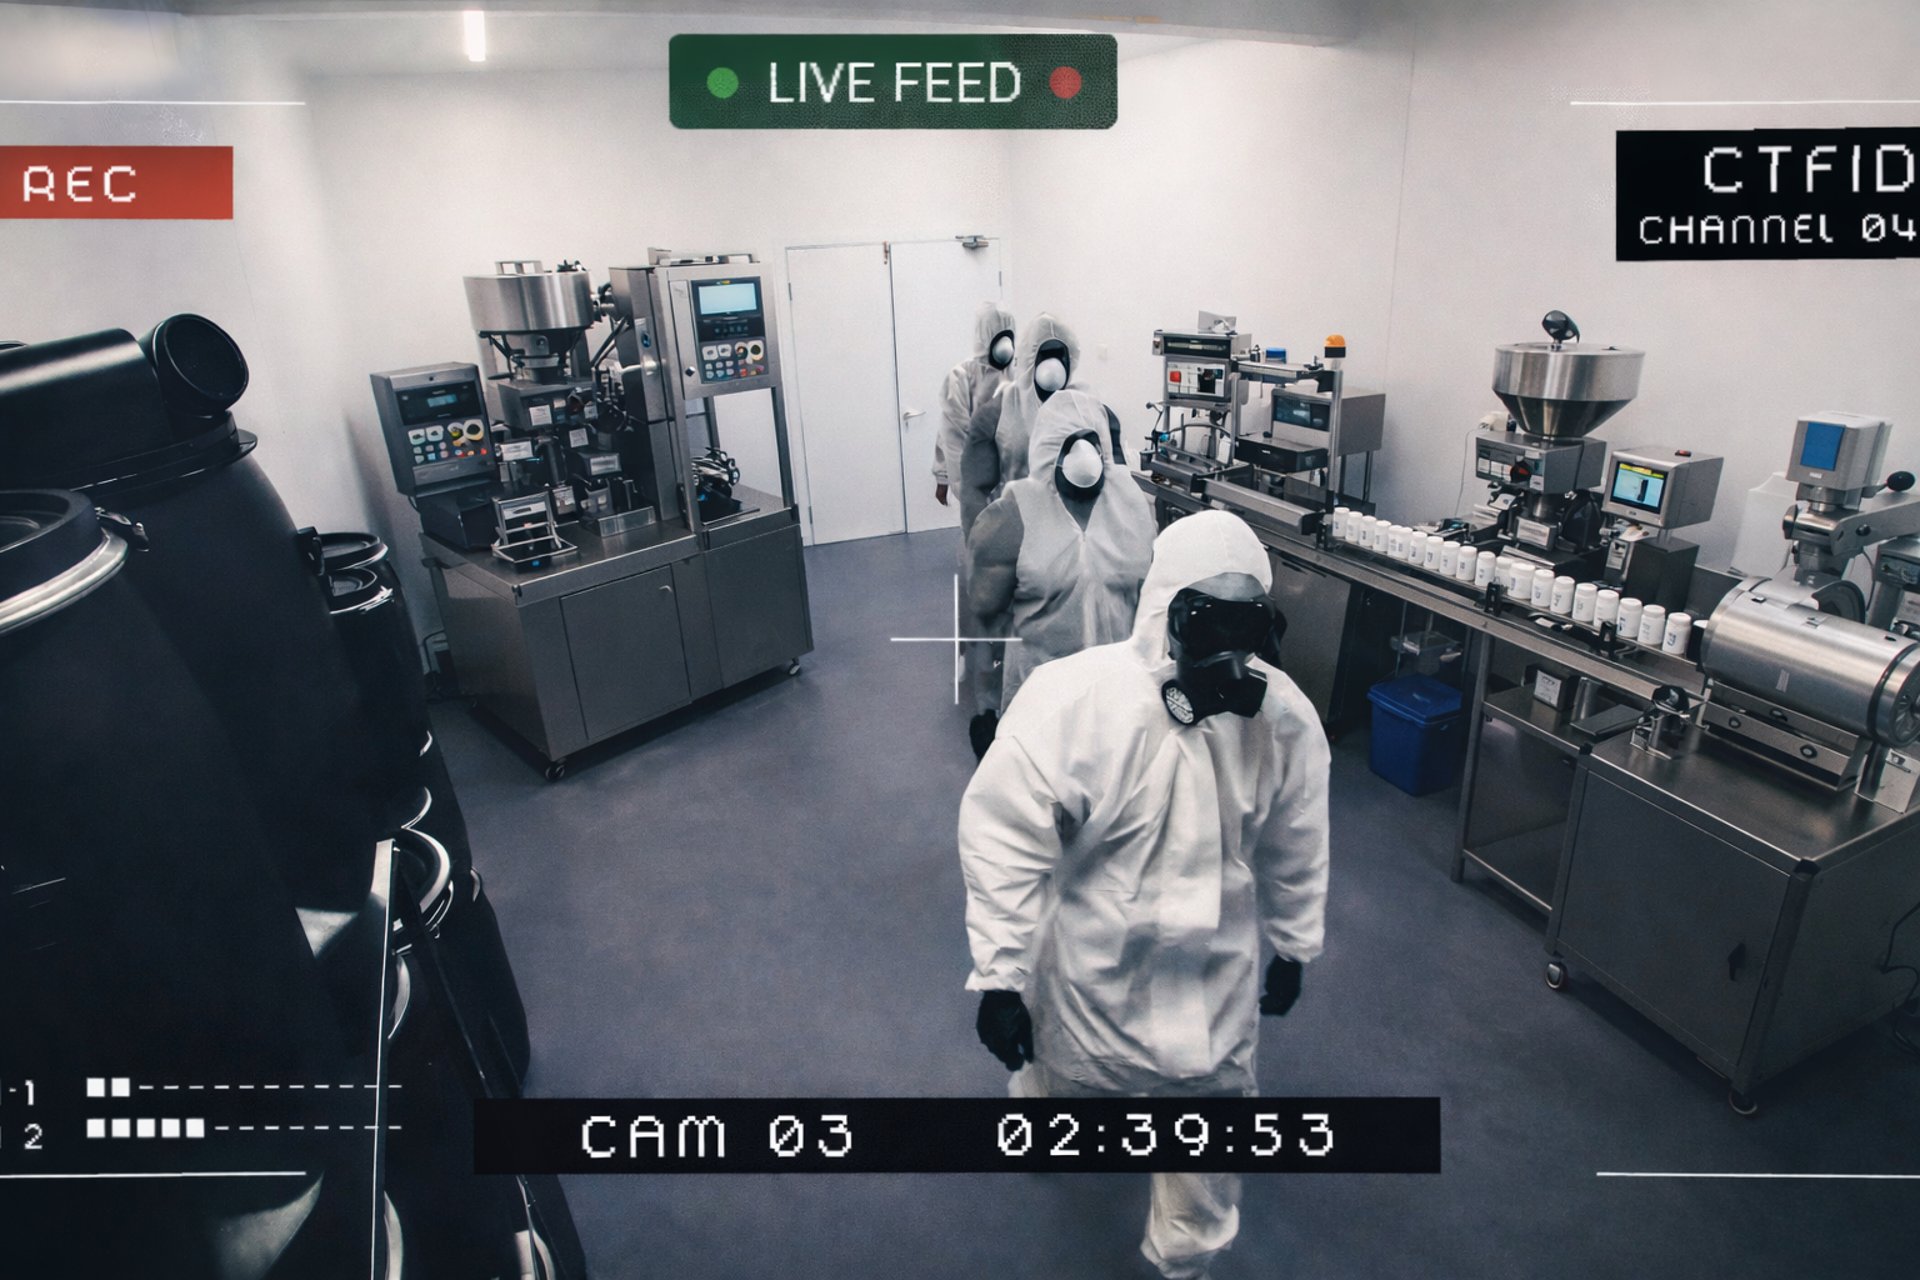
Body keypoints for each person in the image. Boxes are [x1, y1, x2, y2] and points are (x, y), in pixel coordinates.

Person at [957, 510, 1331, 1280]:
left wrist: (1295, 940)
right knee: (1064, 1078)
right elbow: (1004, 838)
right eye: (1208, 627)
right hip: (1093, 968)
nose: (1229, 657)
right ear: (1165, 616)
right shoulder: (1074, 703)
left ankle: (1185, 1258)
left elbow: (1298, 837)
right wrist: (1000, 976)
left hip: (1212, 982)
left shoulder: (1283, 718)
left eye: (1246, 631)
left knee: (1208, 1125)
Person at [967, 388, 1155, 720]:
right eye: (1069, 444)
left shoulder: (1132, 508)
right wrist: (986, 710)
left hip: (1118, 697)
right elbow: (984, 622)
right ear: (1047, 451)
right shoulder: (1012, 516)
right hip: (1040, 702)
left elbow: (1151, 609)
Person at [933, 303, 1015, 510]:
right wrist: (943, 478)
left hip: (1014, 481)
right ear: (984, 336)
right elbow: (949, 432)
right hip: (976, 480)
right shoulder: (961, 376)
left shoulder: (1019, 374)